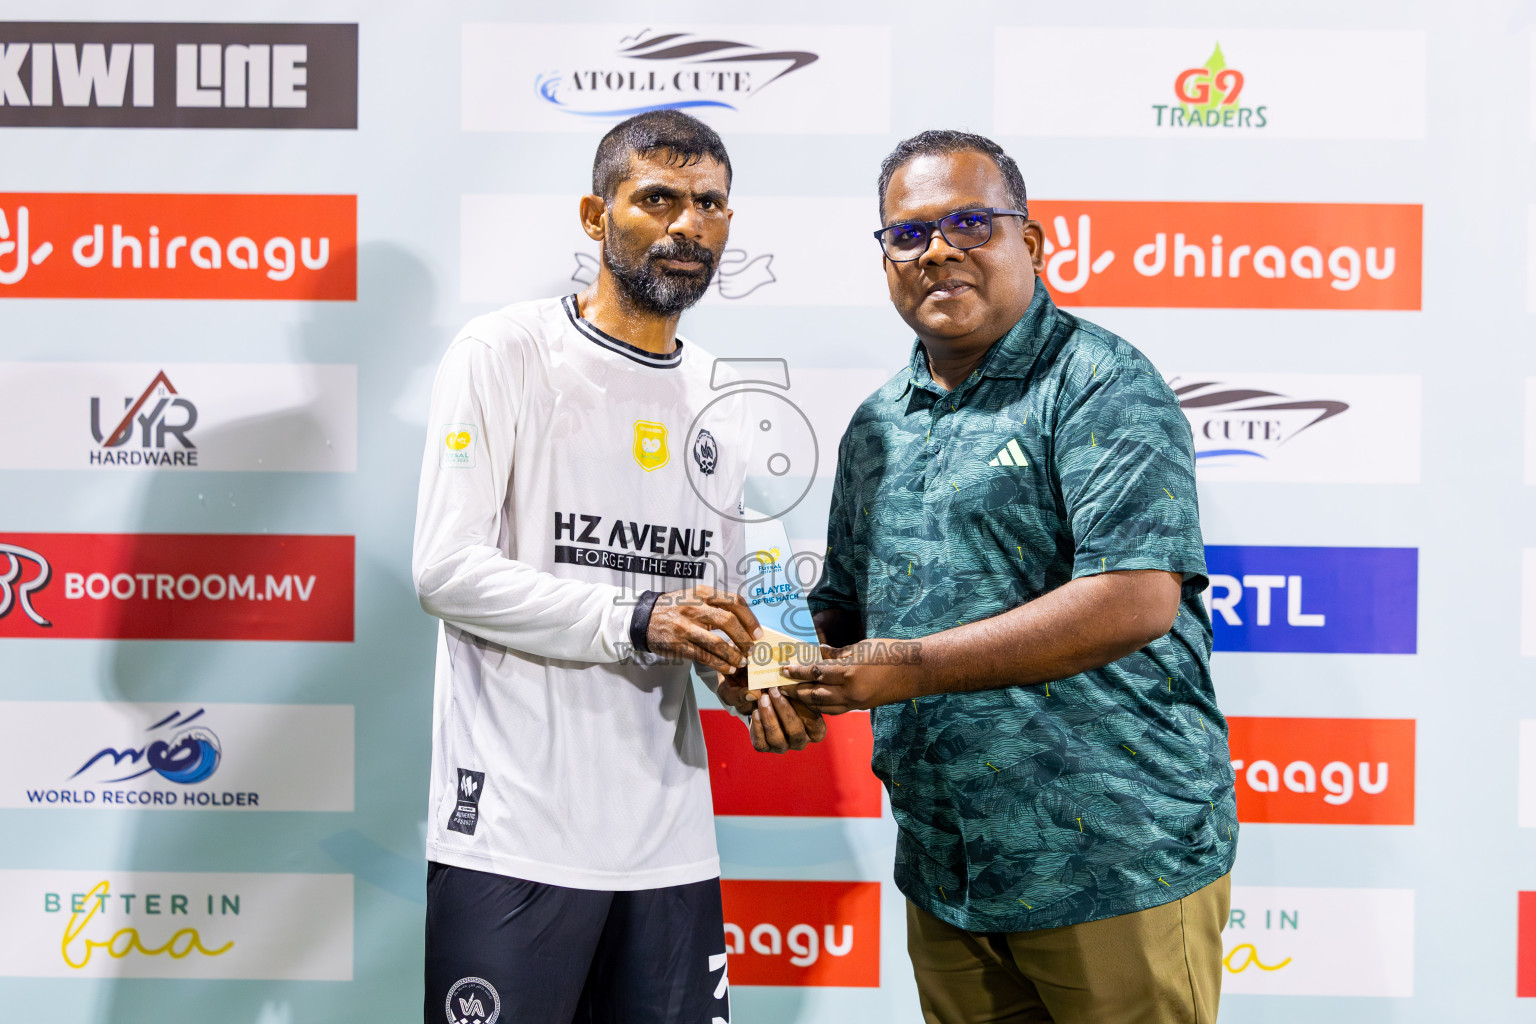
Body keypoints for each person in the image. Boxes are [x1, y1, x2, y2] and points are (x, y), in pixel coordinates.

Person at [783, 130, 1239, 1024]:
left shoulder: (1099, 381)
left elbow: (1135, 600)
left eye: (968, 223)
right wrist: (765, 670)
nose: (937, 250)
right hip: (948, 865)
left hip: (1114, 857)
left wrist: (905, 669)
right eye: (908, 234)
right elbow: (840, 617)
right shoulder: (877, 424)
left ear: (1028, 242)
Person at [412, 109, 823, 1024]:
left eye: (709, 205)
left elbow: (736, 606)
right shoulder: (504, 351)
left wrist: (763, 683)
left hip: (668, 844)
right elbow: (445, 569)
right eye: (658, 200)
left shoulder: (724, 395)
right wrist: (636, 619)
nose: (688, 226)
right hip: (514, 835)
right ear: (596, 216)